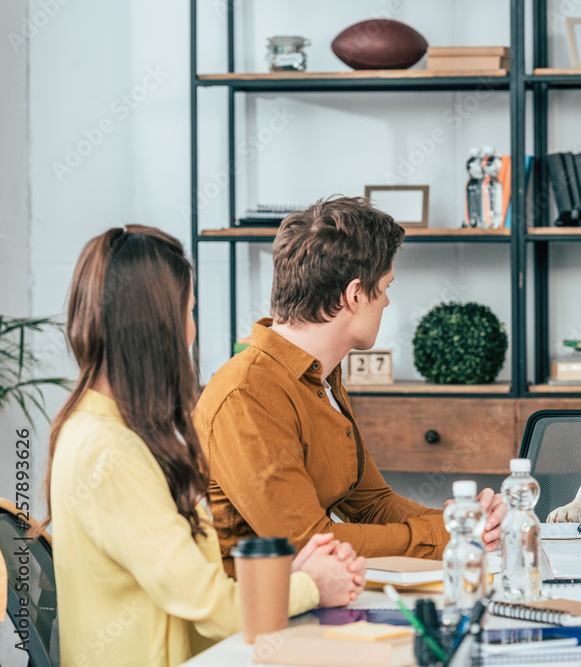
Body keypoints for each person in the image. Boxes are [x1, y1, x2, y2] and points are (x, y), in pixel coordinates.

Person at [38, 226, 366, 667]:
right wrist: (310, 587)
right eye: (188, 311)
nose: (192, 329)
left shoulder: (102, 430)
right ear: (158, 327)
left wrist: (290, 574)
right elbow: (212, 609)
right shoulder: (108, 452)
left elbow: (189, 586)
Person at [194, 196, 507, 575]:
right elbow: (308, 544)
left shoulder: (322, 379)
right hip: (259, 614)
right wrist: (440, 537)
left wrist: (464, 524)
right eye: (386, 286)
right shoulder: (247, 394)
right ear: (355, 294)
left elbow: (371, 504)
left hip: (317, 596)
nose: (388, 301)